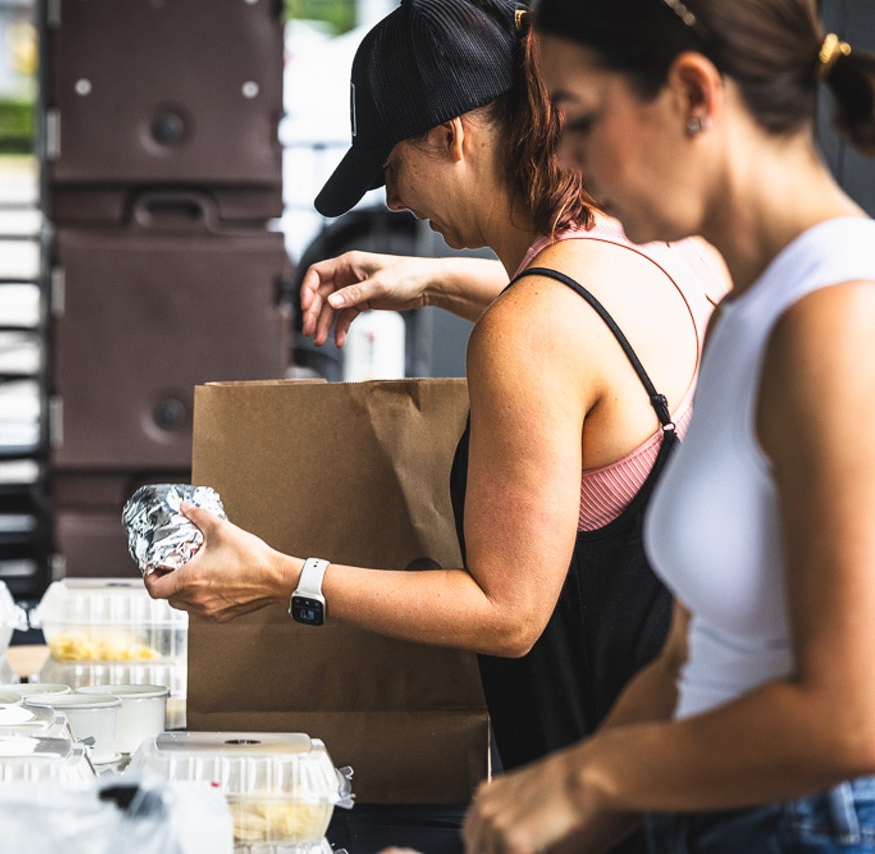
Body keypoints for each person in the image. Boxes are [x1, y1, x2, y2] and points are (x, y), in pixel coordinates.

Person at [146, 0, 729, 776]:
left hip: (605, 792)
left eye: (390, 170)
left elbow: (508, 612)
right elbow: (596, 345)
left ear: (450, 135)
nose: (390, 203)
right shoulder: (670, 249)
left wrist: (284, 578)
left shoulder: (528, 334)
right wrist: (427, 281)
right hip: (714, 755)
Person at [460, 0, 875, 851]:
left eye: (577, 119)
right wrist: (546, 815)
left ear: (691, 92)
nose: (563, 156)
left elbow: (850, 717)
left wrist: (585, 777)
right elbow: (691, 660)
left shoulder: (836, 320)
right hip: (708, 811)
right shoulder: (741, 313)